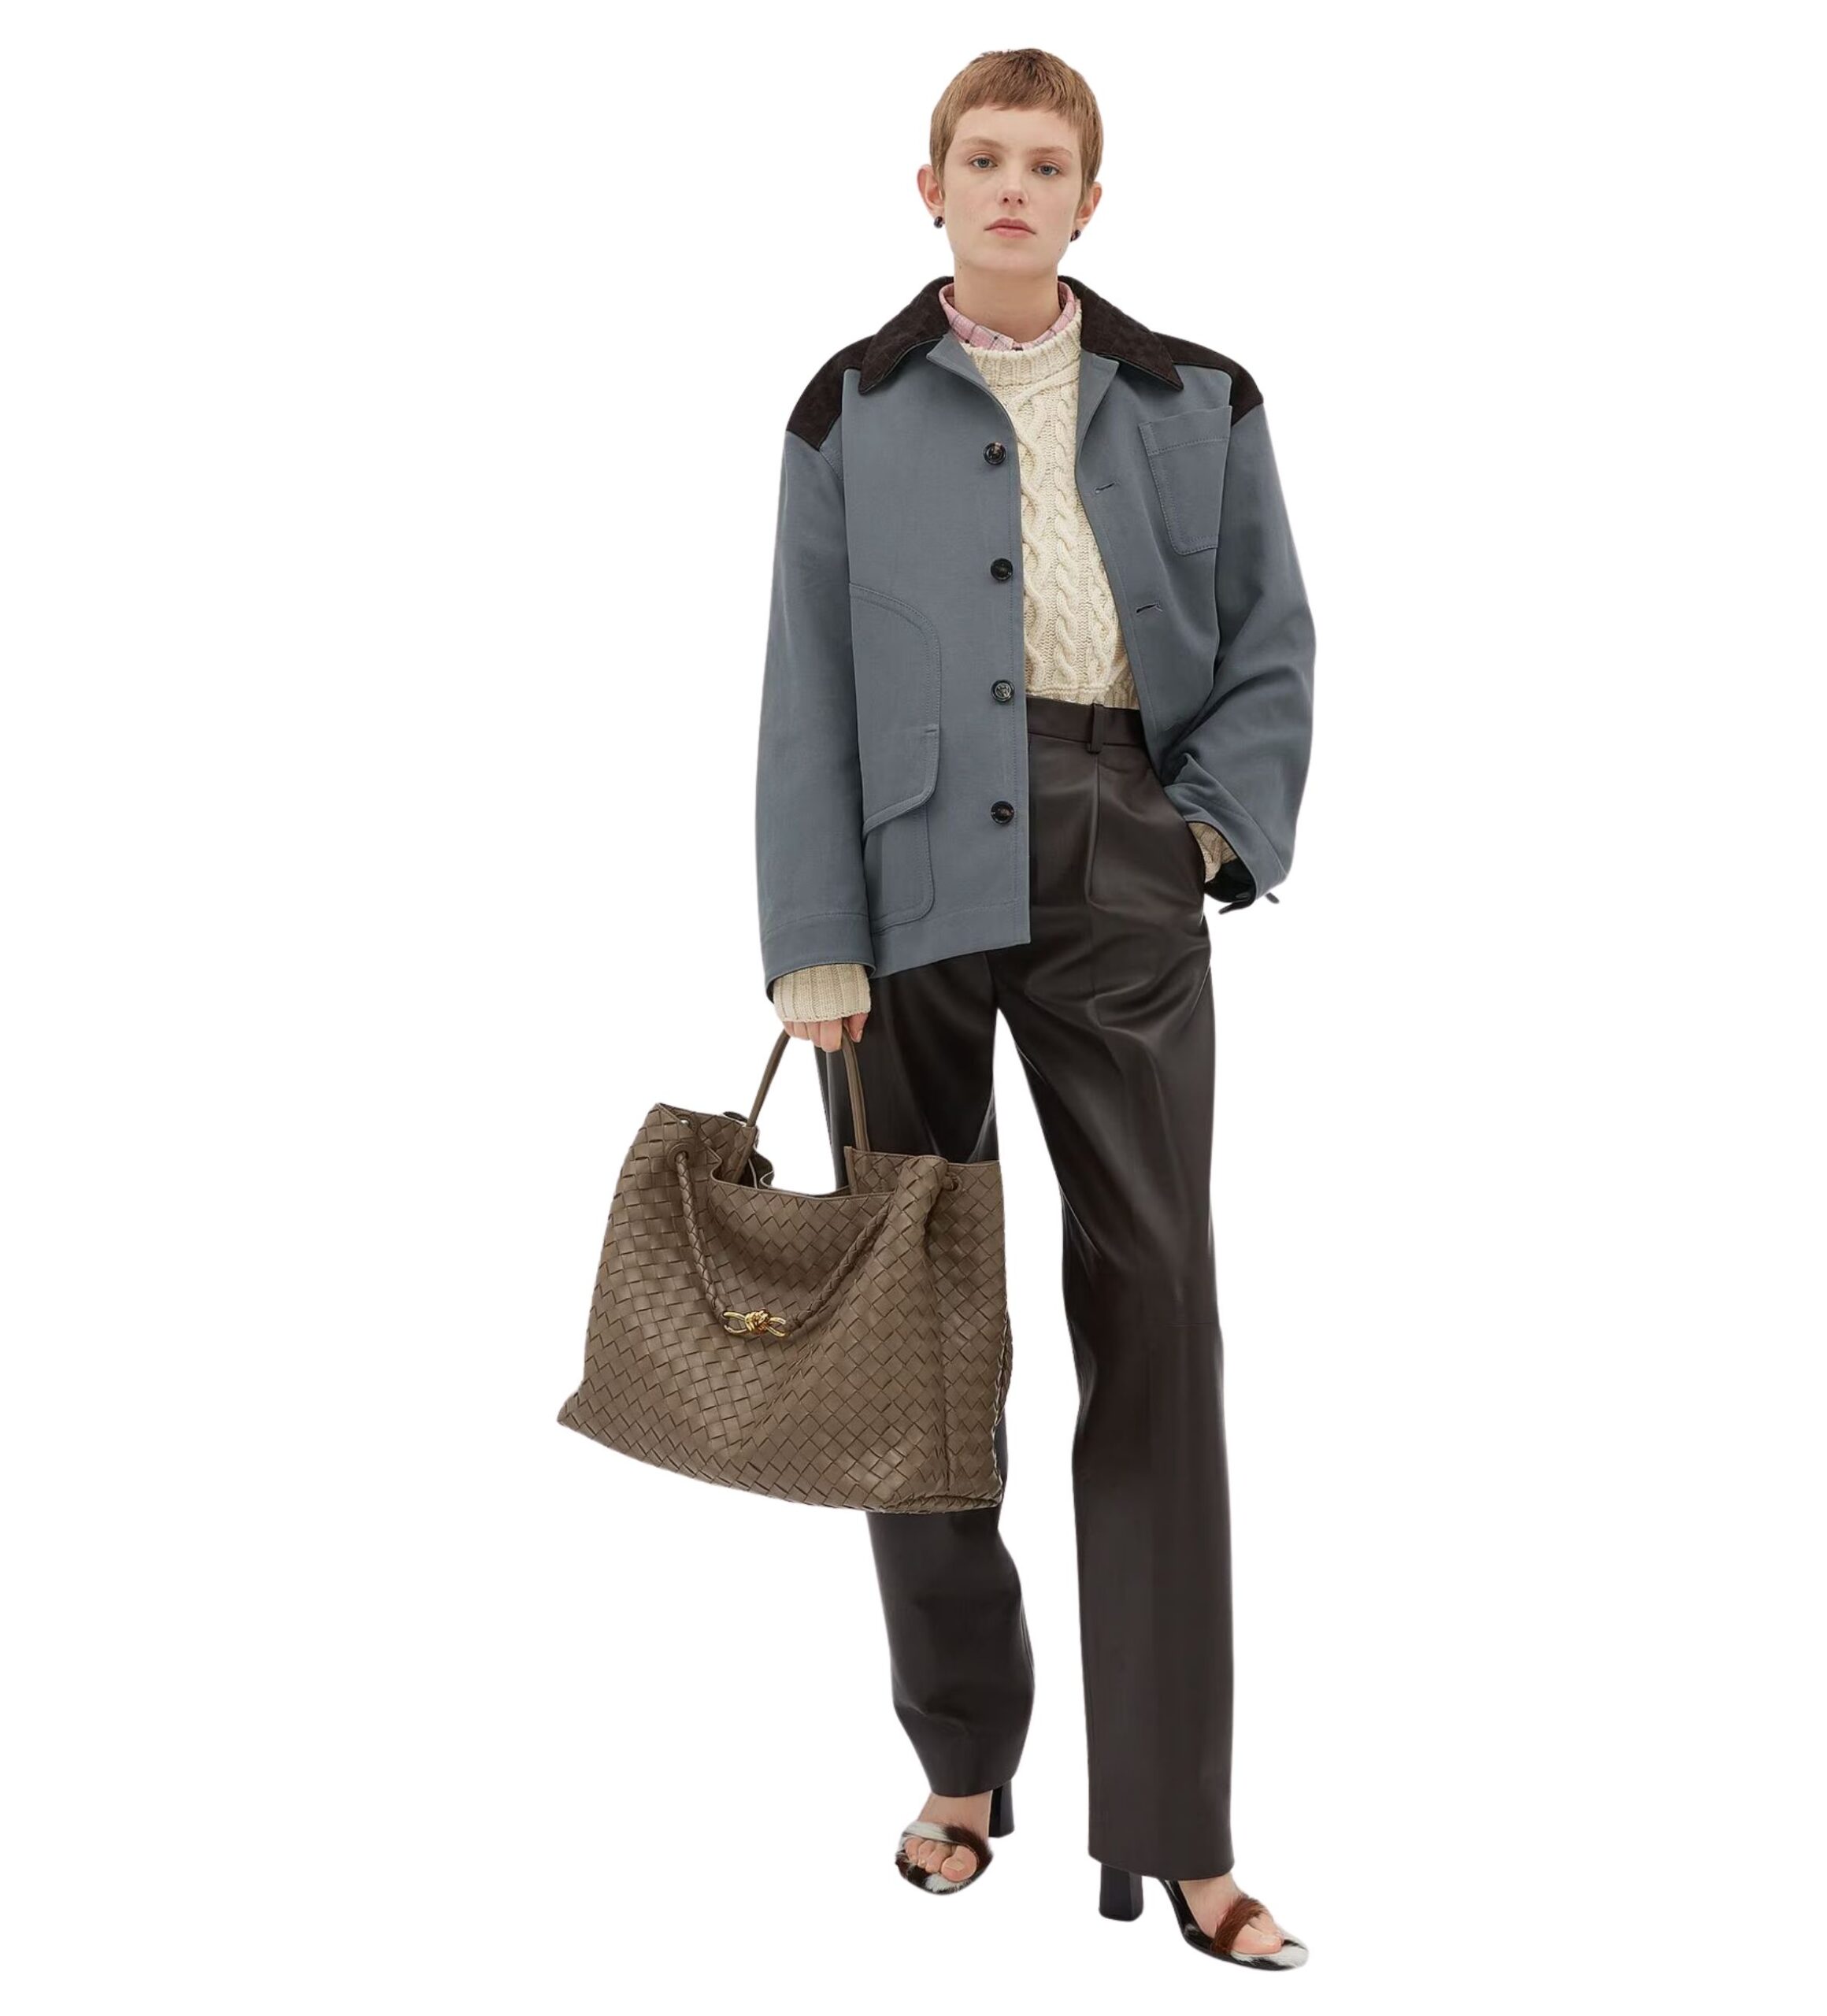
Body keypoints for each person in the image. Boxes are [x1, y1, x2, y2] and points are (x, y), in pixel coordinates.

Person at [753, 47, 1315, 1970]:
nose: (1012, 186)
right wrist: (812, 935)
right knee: (912, 1345)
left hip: (1120, 861)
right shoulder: (846, 405)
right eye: (981, 158)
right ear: (929, 188)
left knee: (1157, 1320)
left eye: (1046, 162)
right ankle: (960, 1763)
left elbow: (1270, 641)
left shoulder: (1199, 398)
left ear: (1089, 198)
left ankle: (1180, 1829)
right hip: (903, 891)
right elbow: (803, 679)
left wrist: (1205, 840)